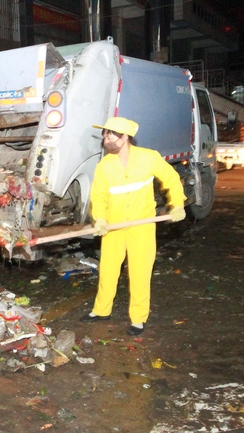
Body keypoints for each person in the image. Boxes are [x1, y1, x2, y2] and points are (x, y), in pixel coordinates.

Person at [80, 117, 186, 336]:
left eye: (111, 134)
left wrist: (177, 205)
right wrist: (99, 218)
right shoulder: (105, 166)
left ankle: (138, 318)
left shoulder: (148, 158)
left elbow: (171, 178)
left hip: (142, 226)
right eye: (105, 134)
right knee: (108, 270)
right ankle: (101, 310)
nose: (105, 138)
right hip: (114, 226)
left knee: (139, 272)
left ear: (125, 137)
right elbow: (98, 196)